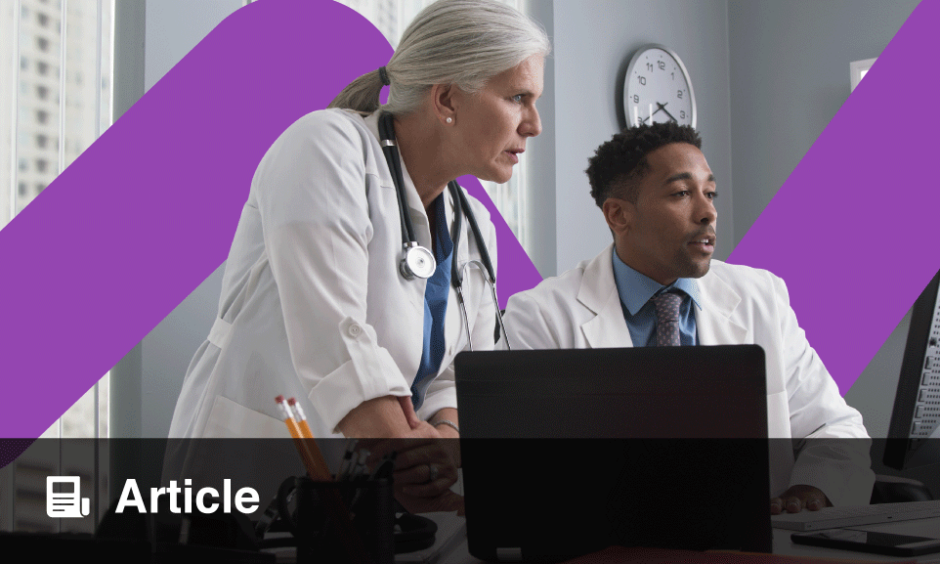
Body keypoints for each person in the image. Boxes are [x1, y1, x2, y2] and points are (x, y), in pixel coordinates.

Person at [165, 0, 549, 513]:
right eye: (518, 98)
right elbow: (336, 339)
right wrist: (407, 460)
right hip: (258, 474)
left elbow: (458, 375)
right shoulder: (327, 148)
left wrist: (443, 445)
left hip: (371, 495)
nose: (534, 125)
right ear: (447, 98)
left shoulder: (472, 224)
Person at [501, 122, 875, 514]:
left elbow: (834, 427)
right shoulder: (541, 317)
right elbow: (520, 466)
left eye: (709, 193)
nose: (708, 212)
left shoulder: (761, 297)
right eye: (681, 193)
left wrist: (810, 490)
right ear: (618, 215)